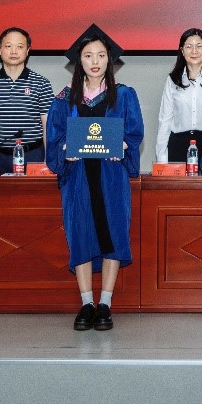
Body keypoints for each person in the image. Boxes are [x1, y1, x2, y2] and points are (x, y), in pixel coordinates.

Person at [45, 24, 144, 332]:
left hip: (111, 177)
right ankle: (86, 302)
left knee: (113, 232)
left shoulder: (124, 95)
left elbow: (134, 132)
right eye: (88, 55)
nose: (95, 61)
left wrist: (123, 147)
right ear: (79, 60)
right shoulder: (65, 98)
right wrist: (64, 152)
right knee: (81, 234)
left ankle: (105, 303)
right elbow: (54, 136)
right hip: (78, 178)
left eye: (101, 55)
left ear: (109, 59)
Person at [0, 26, 54, 176]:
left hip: (32, 155)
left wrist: (48, 160)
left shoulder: (41, 83)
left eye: (20, 46)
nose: (14, 51)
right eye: (8, 46)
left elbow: (47, 125)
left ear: (28, 50)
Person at [154, 28, 202, 163]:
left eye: (199, 46)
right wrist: (161, 158)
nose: (194, 51)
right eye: (189, 46)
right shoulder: (172, 80)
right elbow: (165, 120)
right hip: (178, 145)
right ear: (182, 51)